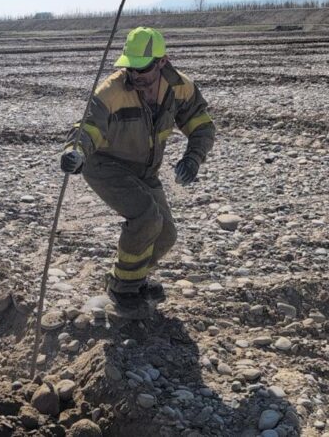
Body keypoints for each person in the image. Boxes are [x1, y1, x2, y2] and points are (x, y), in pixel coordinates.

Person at [60, 27, 215, 318]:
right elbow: (88, 128)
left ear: (162, 62)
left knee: (166, 234)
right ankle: (124, 291)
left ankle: (130, 279)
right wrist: (76, 153)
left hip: (145, 170)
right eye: (130, 68)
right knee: (146, 217)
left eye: (142, 68)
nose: (135, 75)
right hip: (105, 164)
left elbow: (201, 124)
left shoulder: (180, 88)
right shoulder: (112, 91)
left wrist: (193, 159)